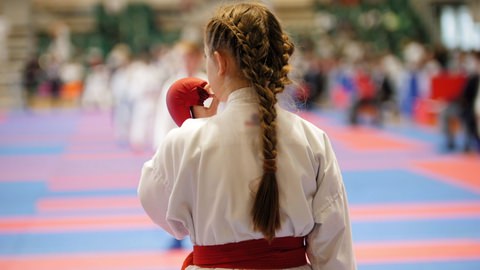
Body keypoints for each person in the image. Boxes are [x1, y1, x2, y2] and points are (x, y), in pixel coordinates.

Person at [138, 2, 356, 270]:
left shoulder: (185, 141)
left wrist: (197, 129)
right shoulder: (313, 139)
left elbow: (166, 216)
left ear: (219, 61)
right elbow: (334, 249)